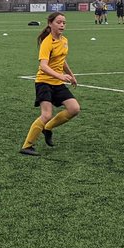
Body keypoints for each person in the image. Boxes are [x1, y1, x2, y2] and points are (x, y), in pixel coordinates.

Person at [20, 11, 80, 156]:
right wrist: (60, 75)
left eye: (64, 23)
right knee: (46, 114)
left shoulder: (64, 40)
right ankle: (27, 146)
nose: (62, 25)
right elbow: (43, 66)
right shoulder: (47, 42)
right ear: (50, 24)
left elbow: (62, 59)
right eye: (58, 22)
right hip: (44, 82)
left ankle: (48, 128)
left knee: (74, 108)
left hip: (57, 83)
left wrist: (71, 75)